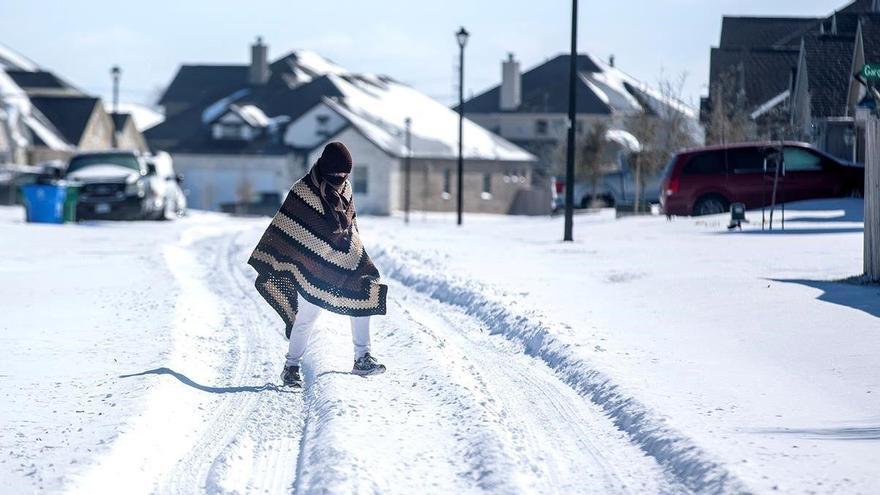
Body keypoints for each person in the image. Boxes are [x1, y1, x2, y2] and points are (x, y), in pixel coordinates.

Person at [247, 142, 388, 387]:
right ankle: (291, 367)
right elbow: (289, 227)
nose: (341, 179)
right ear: (325, 169)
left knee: (364, 294)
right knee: (307, 317)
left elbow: (351, 225)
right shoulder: (303, 190)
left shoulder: (346, 188)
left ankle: (362, 357)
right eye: (336, 174)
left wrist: (354, 251)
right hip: (312, 265)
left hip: (345, 259)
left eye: (345, 175)